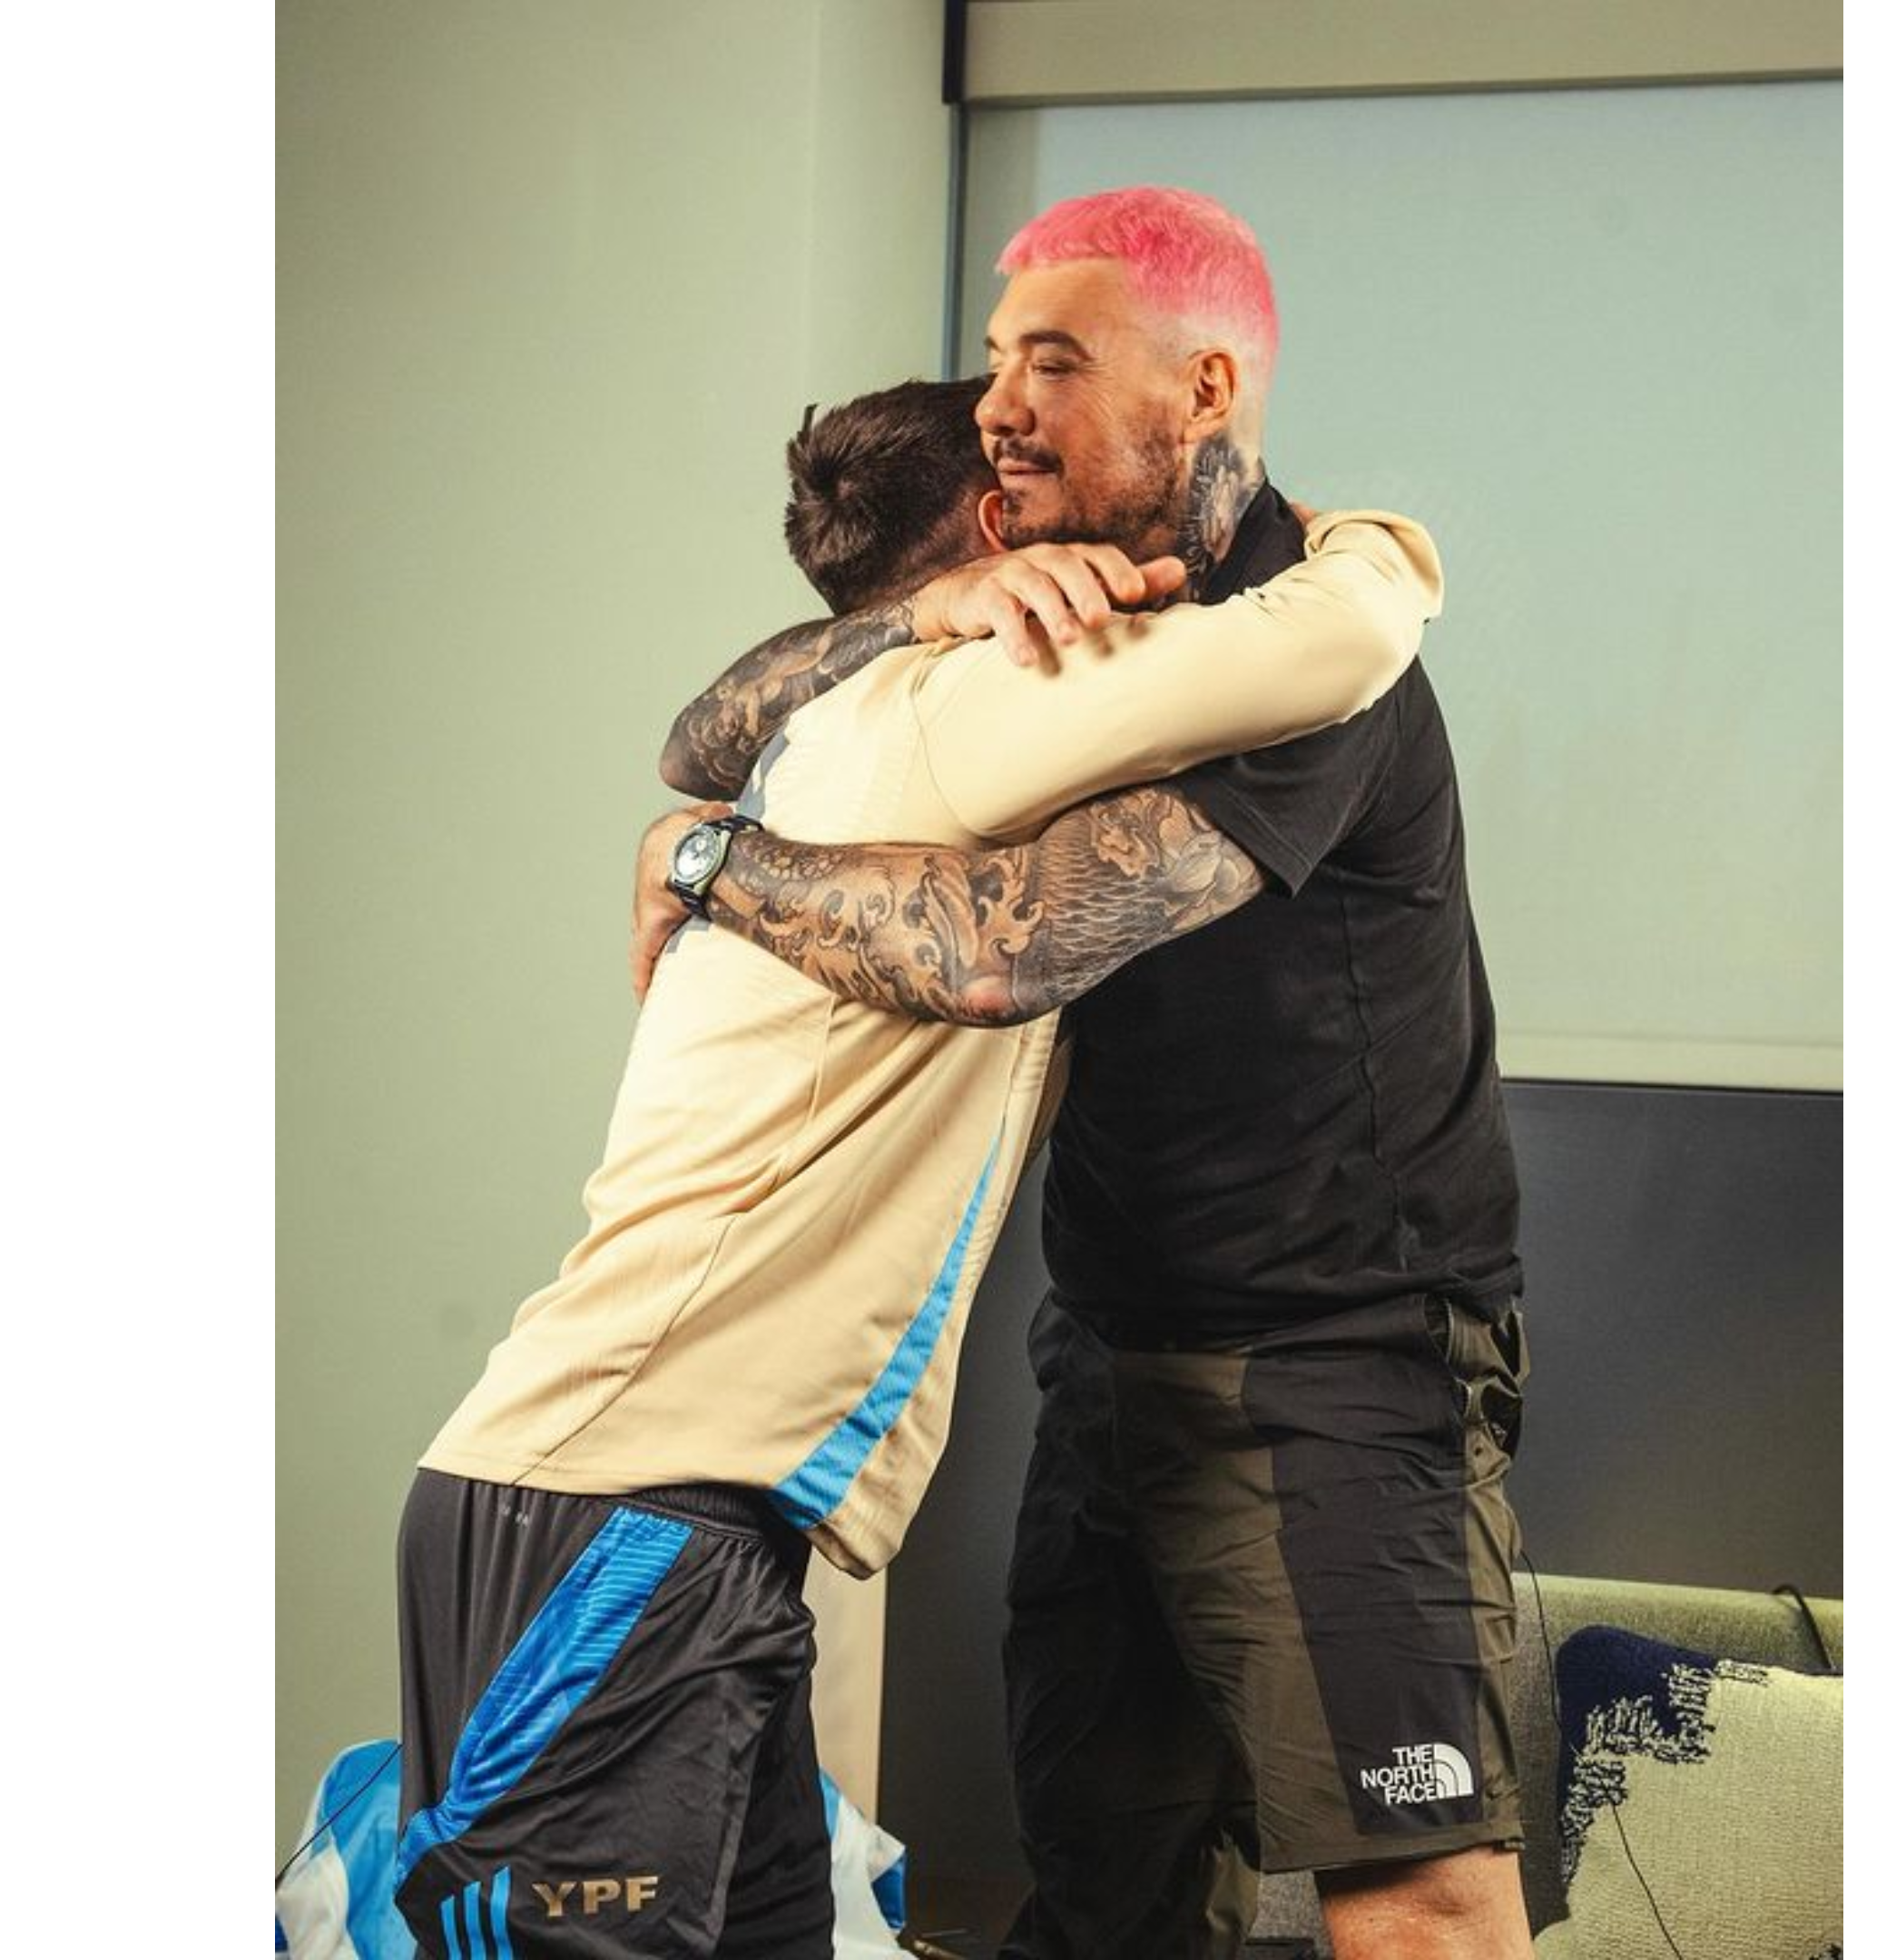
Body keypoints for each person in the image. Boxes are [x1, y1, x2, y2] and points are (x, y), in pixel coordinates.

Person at [398, 371, 1448, 1958]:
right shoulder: (955, 715)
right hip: (620, 1512)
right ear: (998, 529)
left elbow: (690, 735)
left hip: (693, 1526)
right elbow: (1340, 637)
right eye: (1037, 465)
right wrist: (1372, 543)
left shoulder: (841, 711)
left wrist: (722, 808)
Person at [636, 187, 1530, 1960]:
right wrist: (920, 617)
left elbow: (1004, 946)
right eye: (993, 359)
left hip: (1339, 1367)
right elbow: (704, 734)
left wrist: (705, 870)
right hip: (1113, 1356)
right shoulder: (1063, 635)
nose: (999, 402)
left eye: (1053, 359)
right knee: (1112, 1896)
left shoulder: (1305, 655)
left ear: (1203, 388)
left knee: (1417, 1895)